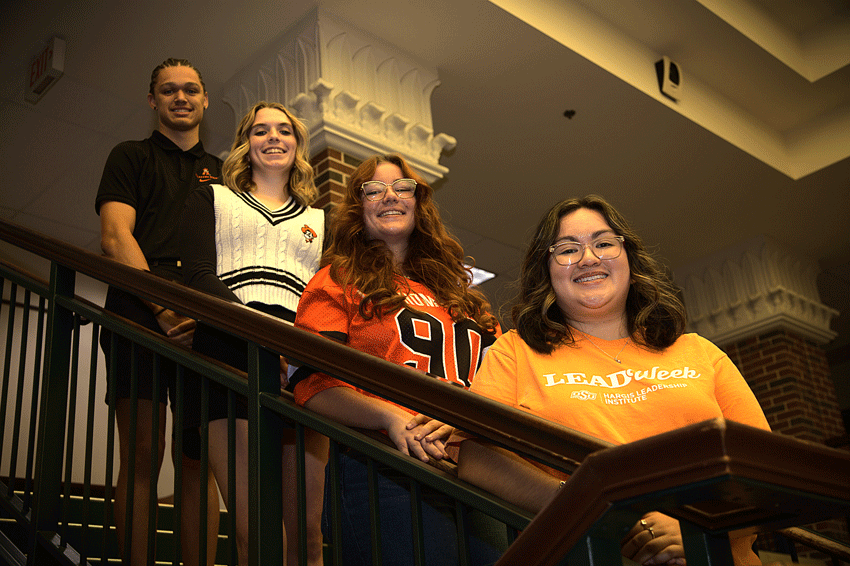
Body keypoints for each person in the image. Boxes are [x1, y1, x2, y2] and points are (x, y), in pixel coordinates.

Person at [455, 195, 771, 566]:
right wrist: (599, 510)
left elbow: (764, 469)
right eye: (567, 249)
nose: (589, 258)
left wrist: (696, 528)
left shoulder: (700, 352)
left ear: (630, 261)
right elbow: (475, 456)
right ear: (548, 271)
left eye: (604, 243)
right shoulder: (516, 352)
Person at [289, 154, 504, 566]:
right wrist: (389, 417)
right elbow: (312, 382)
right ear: (358, 206)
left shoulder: (463, 297)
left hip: (477, 467)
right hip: (382, 464)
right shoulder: (338, 279)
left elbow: (503, 379)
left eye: (402, 187)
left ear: (419, 202)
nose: (390, 196)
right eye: (374, 190)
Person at [180, 100, 328, 566]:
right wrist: (262, 339)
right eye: (260, 130)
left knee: (305, 534)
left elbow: (326, 299)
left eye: (284, 130)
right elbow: (198, 275)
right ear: (246, 143)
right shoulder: (214, 197)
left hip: (298, 361)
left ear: (297, 146)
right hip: (229, 349)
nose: (273, 138)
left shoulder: (320, 221)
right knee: (256, 531)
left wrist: (297, 350)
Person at [95, 58, 221, 566]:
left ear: (205, 99)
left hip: (204, 322)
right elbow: (114, 236)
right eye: (168, 90)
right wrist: (164, 308)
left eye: (191, 89)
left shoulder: (227, 176)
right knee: (143, 456)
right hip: (137, 313)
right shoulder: (129, 156)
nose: (181, 97)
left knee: (198, 461)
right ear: (153, 100)